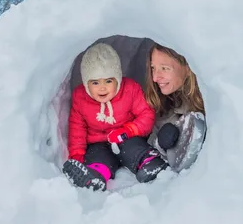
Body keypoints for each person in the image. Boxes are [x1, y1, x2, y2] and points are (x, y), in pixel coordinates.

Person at [62, 43, 167, 191]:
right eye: (95, 82)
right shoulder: (80, 97)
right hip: (98, 143)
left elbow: (146, 114)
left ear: (118, 78)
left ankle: (149, 162)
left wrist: (128, 131)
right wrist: (77, 155)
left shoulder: (130, 89)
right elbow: (77, 128)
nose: (102, 87)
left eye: (108, 81)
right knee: (98, 157)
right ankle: (95, 176)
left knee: (133, 148)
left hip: (126, 137)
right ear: (86, 83)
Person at [145, 43, 207, 173]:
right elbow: (152, 141)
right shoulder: (165, 100)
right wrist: (160, 144)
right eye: (153, 68)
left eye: (164, 68)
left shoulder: (208, 102)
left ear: (188, 66)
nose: (155, 77)